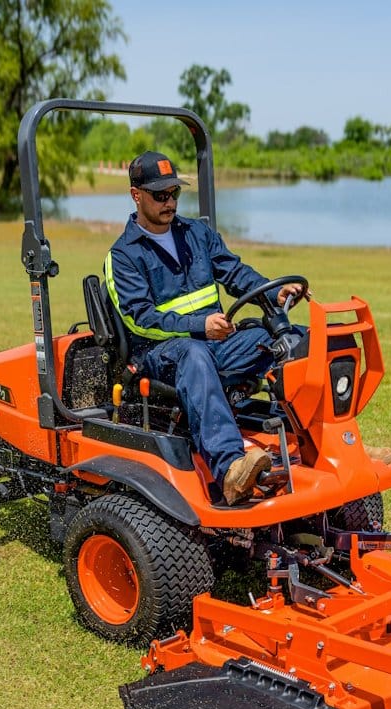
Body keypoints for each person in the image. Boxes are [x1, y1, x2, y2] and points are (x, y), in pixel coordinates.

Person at [103, 151, 299, 504]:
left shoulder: (197, 233)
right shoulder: (123, 256)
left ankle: (327, 441)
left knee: (291, 338)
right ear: (136, 195)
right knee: (193, 353)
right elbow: (139, 319)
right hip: (158, 355)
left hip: (214, 343)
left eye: (174, 193)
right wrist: (199, 327)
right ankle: (230, 470)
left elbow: (235, 273)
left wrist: (273, 290)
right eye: (160, 195)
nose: (170, 201)